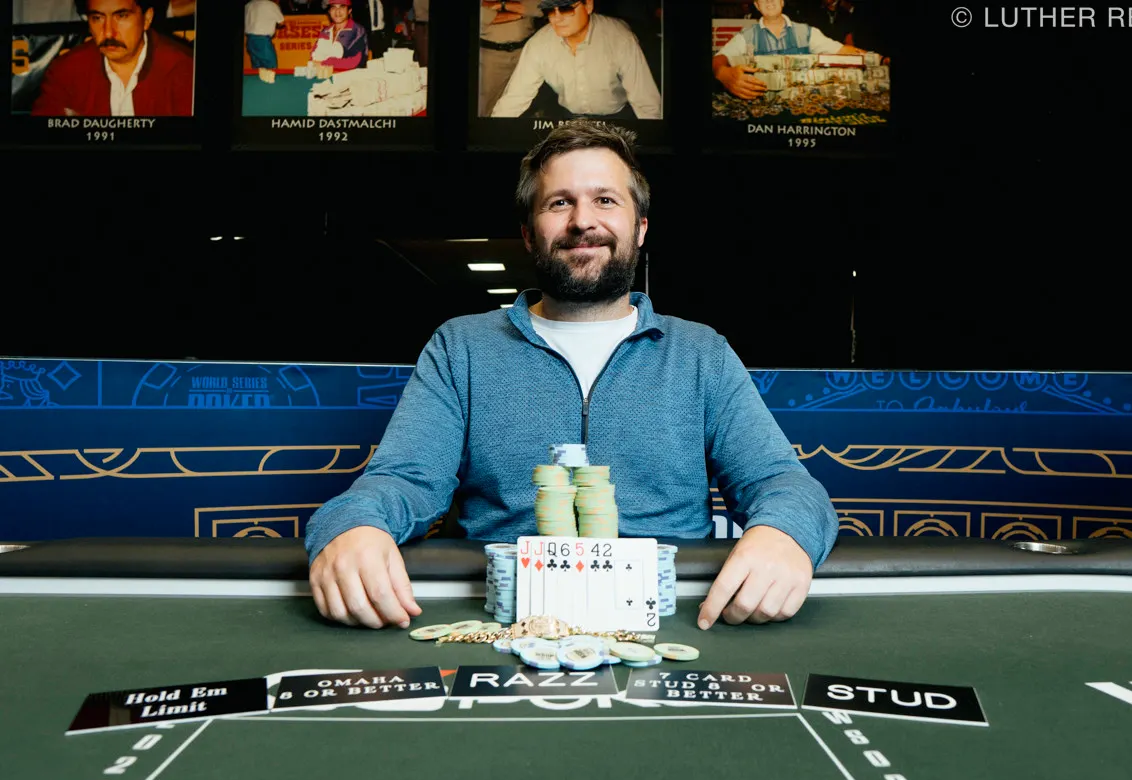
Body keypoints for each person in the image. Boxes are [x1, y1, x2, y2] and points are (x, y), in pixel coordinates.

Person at [305, 120, 839, 633]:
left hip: (675, 618)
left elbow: (782, 483)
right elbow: (402, 481)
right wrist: (353, 524)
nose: (583, 221)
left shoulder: (702, 353)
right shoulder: (460, 347)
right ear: (528, 234)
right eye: (559, 203)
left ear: (640, 227)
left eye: (605, 200)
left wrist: (784, 533)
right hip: (504, 622)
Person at [490, 0, 662, 120]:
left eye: (566, 8)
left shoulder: (620, 39)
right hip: (569, 118)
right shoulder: (539, 44)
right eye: (550, 10)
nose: (556, 18)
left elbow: (647, 104)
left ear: (588, 5)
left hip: (617, 116)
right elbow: (514, 99)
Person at [31, 0, 194, 116]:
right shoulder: (64, 71)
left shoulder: (185, 69)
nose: (108, 32)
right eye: (97, 18)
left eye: (122, 16)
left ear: (147, 19)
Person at [712, 0, 865, 101]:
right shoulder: (746, 36)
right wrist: (723, 73)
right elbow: (718, 59)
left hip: (802, 105)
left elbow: (841, 50)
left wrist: (875, 57)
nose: (769, 1)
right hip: (763, 106)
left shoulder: (807, 32)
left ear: (782, 2)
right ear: (757, 5)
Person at [479, 1, 542, 117]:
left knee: (525, 100)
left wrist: (502, 5)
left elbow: (540, 8)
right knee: (486, 105)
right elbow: (482, 15)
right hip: (490, 56)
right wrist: (522, 12)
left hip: (524, 52)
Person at [310, 0, 367, 70]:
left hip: (350, 74)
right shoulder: (325, 31)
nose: (337, 11)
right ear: (329, 11)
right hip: (323, 73)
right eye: (333, 7)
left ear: (349, 11)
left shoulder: (357, 30)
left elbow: (356, 62)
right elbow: (313, 55)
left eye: (342, 7)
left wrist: (325, 63)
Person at [244, 0, 285, 71]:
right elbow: (281, 22)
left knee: (257, 68)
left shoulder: (248, 4)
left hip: (249, 40)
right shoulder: (270, 5)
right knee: (271, 67)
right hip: (262, 40)